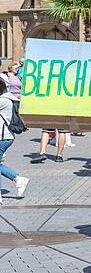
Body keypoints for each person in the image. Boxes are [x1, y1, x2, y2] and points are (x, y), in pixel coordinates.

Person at [0, 76, 28, 205]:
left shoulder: (3, 100)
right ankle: (17, 179)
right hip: (6, 136)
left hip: (2, 136)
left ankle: (18, 179)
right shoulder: (9, 97)